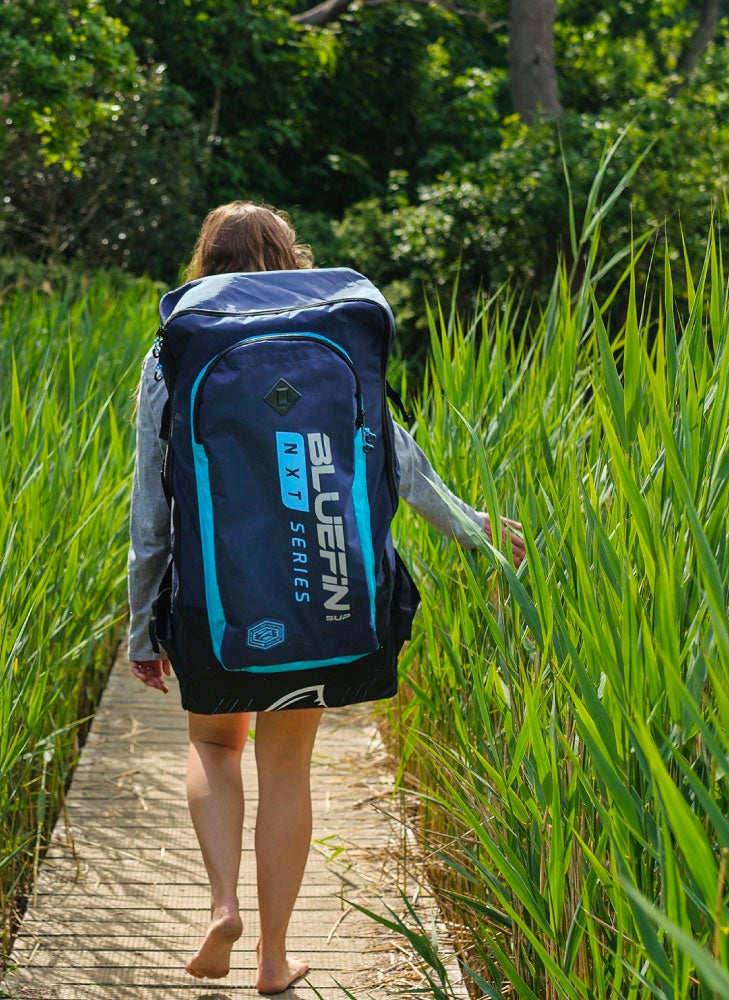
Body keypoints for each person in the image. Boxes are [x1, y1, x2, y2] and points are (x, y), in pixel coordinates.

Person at [123, 201, 525, 994]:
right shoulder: (334, 336)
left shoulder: (176, 349)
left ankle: (220, 906)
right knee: (287, 767)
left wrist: (143, 624)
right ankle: (274, 959)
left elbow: (151, 503)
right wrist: (474, 530)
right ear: (292, 258)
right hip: (321, 596)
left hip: (214, 600)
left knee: (213, 746)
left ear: (204, 262)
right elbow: (399, 467)